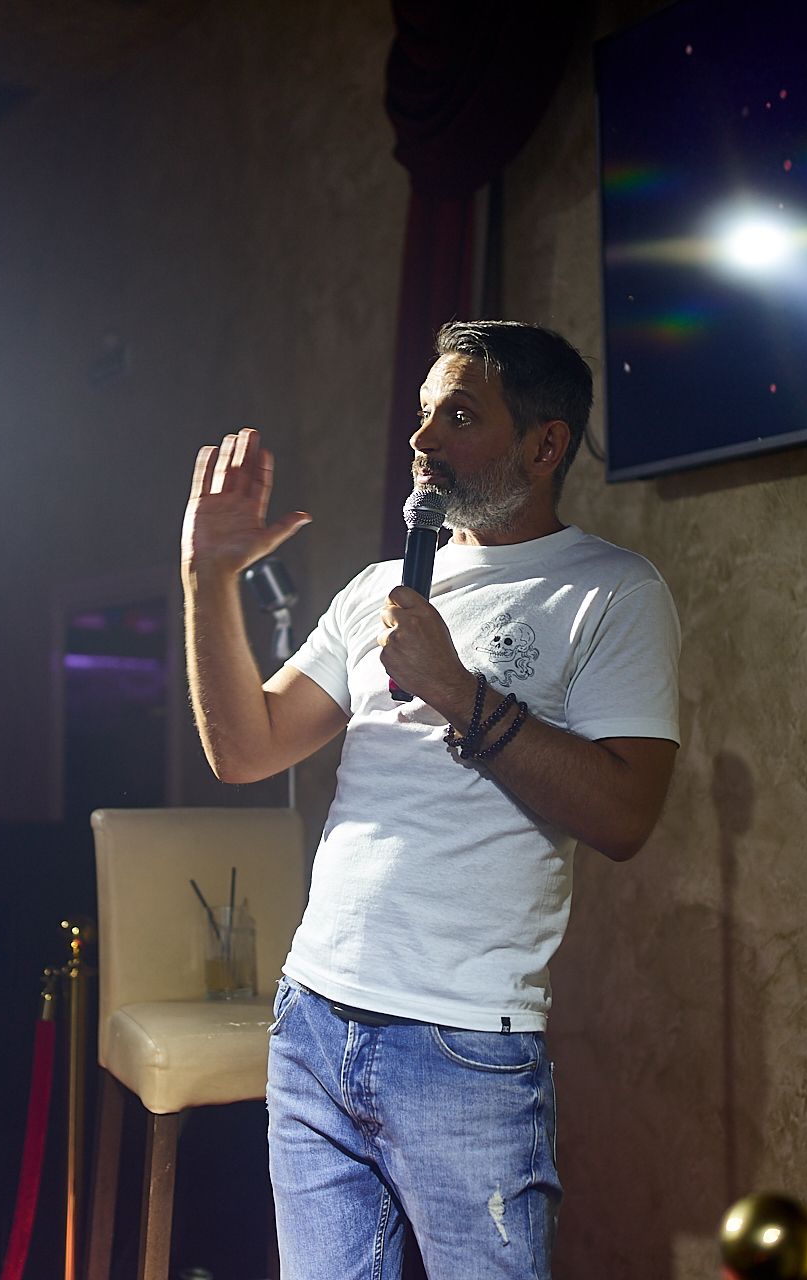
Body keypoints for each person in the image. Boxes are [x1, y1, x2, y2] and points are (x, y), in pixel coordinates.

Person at [181, 320, 681, 1278]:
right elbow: (243, 750)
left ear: (545, 444)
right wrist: (208, 578)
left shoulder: (612, 592)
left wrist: (456, 689)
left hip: (464, 1047)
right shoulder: (376, 588)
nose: (421, 440)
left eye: (459, 416)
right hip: (314, 1020)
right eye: (422, 414)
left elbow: (625, 816)